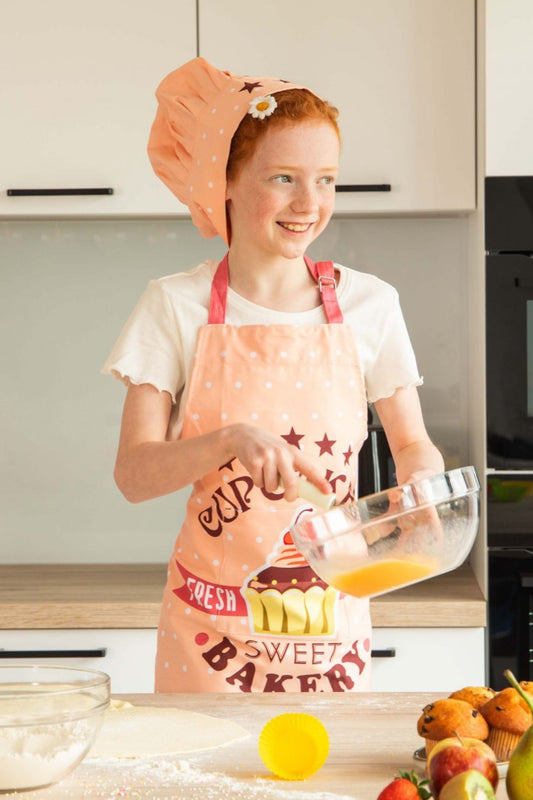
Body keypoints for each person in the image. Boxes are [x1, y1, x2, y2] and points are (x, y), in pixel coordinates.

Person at [102, 57, 444, 693]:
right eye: (283, 178)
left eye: (326, 180)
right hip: (209, 632)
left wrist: (424, 486)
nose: (308, 204)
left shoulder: (371, 305)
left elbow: (411, 444)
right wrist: (230, 440)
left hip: (331, 625)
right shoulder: (174, 306)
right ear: (224, 181)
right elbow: (134, 474)